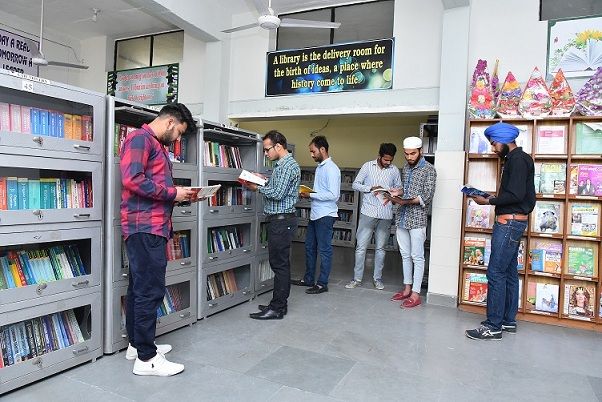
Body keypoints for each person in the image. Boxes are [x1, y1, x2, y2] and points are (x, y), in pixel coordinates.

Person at [120, 103, 199, 376]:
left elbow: (154, 183)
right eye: (179, 132)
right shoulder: (139, 139)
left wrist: (180, 193)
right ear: (169, 122)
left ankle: (136, 345)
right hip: (145, 227)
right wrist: (172, 194)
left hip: (151, 227)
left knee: (138, 288)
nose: (177, 139)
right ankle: (146, 358)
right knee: (149, 291)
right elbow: (132, 179)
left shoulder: (152, 143)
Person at [465, 122, 535, 341]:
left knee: (495, 273)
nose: (493, 148)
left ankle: (493, 326)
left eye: (494, 143)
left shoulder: (517, 160)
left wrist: (488, 201)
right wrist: (491, 197)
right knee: (509, 273)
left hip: (509, 223)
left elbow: (514, 195)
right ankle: (507, 321)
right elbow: (516, 193)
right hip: (514, 221)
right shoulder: (517, 159)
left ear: (504, 140)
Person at [242, 130, 300, 319]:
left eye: (267, 149)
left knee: (280, 265)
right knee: (280, 264)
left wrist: (256, 186)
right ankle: (278, 304)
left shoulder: (287, 166)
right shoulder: (283, 165)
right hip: (281, 220)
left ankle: (277, 308)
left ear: (278, 146)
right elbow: (278, 187)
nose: (266, 153)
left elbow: (277, 194)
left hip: (282, 221)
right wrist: (264, 180)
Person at [385, 137, 436, 308]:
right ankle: (407, 289)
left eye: (413, 154)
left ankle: (416, 293)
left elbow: (427, 196)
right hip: (402, 217)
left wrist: (404, 201)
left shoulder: (429, 169)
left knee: (417, 257)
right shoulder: (406, 168)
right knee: (405, 255)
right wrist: (395, 193)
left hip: (417, 219)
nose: (409, 157)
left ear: (420, 151)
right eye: (406, 154)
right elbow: (405, 190)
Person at [346, 143, 402, 290]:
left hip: (385, 213)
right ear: (379, 155)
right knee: (361, 247)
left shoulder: (394, 170)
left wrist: (394, 192)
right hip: (368, 212)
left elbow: (400, 189)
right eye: (385, 160)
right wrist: (369, 188)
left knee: (381, 248)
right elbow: (355, 185)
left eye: (390, 160)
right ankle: (356, 279)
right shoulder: (367, 166)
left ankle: (377, 279)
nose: (388, 162)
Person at [292, 135, 340, 294]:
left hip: (325, 215)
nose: (311, 155)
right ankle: (308, 279)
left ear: (323, 149)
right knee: (309, 247)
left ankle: (322, 283)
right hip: (316, 214)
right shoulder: (320, 167)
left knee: (325, 250)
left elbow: (334, 195)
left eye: (313, 152)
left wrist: (310, 195)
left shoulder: (332, 169)